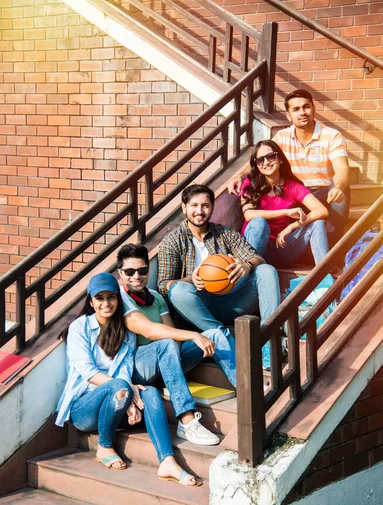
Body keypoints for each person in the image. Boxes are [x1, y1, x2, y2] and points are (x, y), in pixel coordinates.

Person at [56, 272, 201, 486]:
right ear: (91, 301)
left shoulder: (126, 332)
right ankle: (104, 446)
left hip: (116, 401)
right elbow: (88, 372)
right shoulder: (80, 327)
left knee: (150, 392)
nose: (106, 303)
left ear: (118, 298)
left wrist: (129, 394)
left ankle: (167, 461)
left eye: (111, 297)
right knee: (122, 387)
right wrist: (124, 389)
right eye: (100, 298)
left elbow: (124, 368)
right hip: (84, 408)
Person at [117, 243, 235, 446]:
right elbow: (149, 331)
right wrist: (194, 336)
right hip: (137, 369)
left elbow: (173, 337)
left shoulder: (154, 296)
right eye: (129, 271)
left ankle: (249, 388)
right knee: (166, 344)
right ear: (120, 272)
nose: (136, 276)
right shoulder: (119, 298)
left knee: (214, 334)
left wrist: (196, 340)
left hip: (167, 360)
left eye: (142, 270)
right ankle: (186, 421)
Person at [157, 184, 281, 371]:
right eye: (194, 205)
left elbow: (255, 257)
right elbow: (163, 285)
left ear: (212, 208)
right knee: (178, 290)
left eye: (205, 206)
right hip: (200, 309)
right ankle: (224, 337)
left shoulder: (224, 233)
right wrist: (191, 279)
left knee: (266, 270)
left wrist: (246, 266)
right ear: (184, 208)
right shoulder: (172, 240)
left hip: (233, 301)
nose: (200, 211)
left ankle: (269, 343)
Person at [229, 89, 350, 247]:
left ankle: (333, 251)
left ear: (313, 108)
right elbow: (262, 158)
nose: (302, 112)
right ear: (288, 115)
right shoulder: (282, 136)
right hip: (294, 194)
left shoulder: (331, 136)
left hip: (323, 193)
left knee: (342, 192)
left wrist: (339, 186)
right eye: (296, 109)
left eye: (306, 107)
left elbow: (342, 169)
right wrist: (239, 176)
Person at [240, 139, 329, 267]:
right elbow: (249, 215)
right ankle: (250, 270)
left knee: (318, 223)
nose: (266, 162)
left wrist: (292, 227)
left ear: (280, 159)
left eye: (270, 157)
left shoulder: (293, 186)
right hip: (253, 249)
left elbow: (322, 211)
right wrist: (287, 212)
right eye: (260, 160)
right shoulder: (250, 183)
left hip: (280, 247)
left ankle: (323, 276)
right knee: (259, 222)